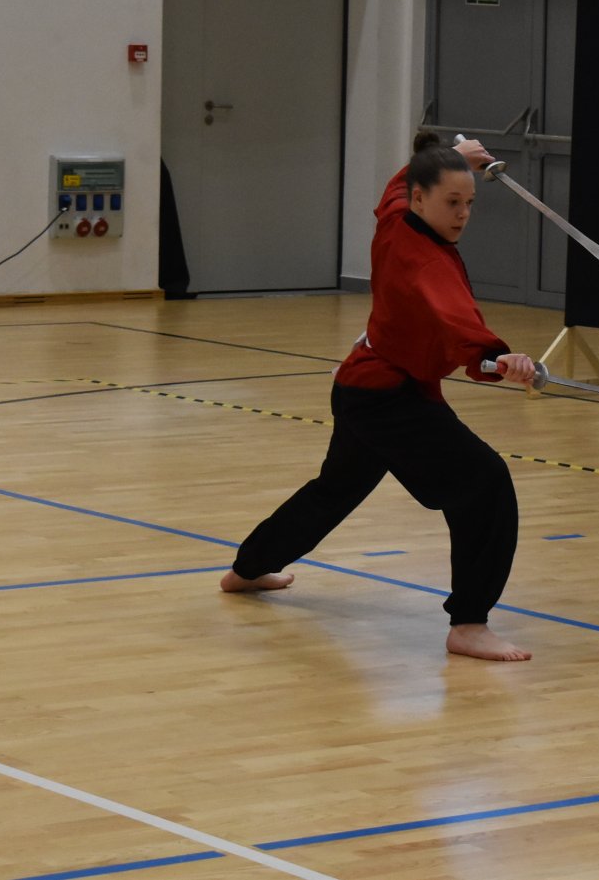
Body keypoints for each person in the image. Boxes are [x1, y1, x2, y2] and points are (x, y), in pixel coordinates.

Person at [221, 132, 538, 661]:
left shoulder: (398, 216)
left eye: (469, 203)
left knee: (335, 489)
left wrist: (458, 157)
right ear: (421, 199)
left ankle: (247, 570)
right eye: (451, 202)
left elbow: (396, 183)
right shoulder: (427, 263)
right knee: (486, 484)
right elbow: (460, 326)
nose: (462, 215)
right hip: (390, 400)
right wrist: (502, 360)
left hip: (360, 387)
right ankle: (469, 624)